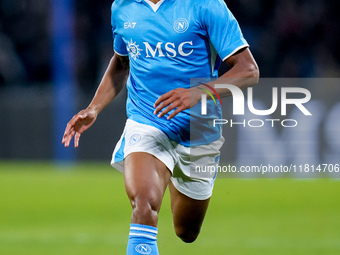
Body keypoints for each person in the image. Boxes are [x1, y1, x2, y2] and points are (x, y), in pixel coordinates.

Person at [62, 0, 259, 254]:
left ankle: (175, 175)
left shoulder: (206, 5)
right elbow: (122, 63)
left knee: (186, 231)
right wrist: (94, 108)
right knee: (144, 205)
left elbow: (249, 70)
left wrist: (198, 92)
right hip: (146, 120)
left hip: (198, 128)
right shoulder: (122, 7)